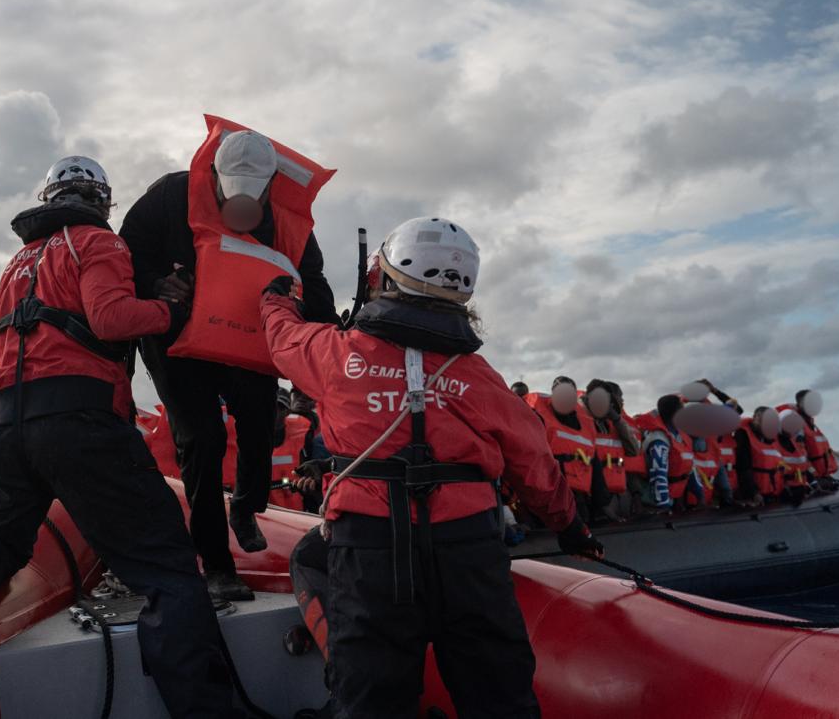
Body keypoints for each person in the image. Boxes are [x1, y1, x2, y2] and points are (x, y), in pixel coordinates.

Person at [0, 157, 241, 717]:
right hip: (79, 417)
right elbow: (110, 319)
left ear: (49, 197)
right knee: (168, 568)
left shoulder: (17, 263)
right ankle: (207, 708)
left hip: (6, 423)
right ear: (101, 202)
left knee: (4, 542)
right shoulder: (96, 242)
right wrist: (171, 308)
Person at [262, 216, 603, 719]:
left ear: (384, 275)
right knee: (500, 696)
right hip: (468, 553)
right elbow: (536, 468)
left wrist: (276, 298)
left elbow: (283, 338)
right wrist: (570, 527)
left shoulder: (340, 357)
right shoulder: (481, 379)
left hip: (370, 551)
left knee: (371, 699)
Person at [120, 127, 337, 600]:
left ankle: (246, 505)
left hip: (245, 336)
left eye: (250, 195)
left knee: (262, 419)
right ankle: (216, 565)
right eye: (227, 192)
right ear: (213, 177)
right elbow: (123, 255)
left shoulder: (286, 221)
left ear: (267, 188)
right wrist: (156, 283)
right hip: (177, 338)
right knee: (202, 439)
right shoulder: (169, 196)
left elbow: (317, 289)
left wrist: (305, 308)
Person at [525, 376, 597, 524]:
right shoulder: (538, 415)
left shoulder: (585, 422)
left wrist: (601, 498)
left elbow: (593, 461)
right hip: (553, 490)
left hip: (581, 493)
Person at [583, 378, 641, 521]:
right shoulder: (580, 421)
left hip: (617, 495)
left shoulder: (613, 424)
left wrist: (617, 419)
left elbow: (633, 450)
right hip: (592, 498)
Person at [633, 395, 695, 512]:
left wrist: (699, 497)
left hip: (676, 497)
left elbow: (690, 468)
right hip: (657, 502)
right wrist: (664, 505)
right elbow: (658, 476)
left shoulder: (679, 436)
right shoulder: (658, 440)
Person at [780, 389, 839, 487]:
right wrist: (813, 478)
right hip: (805, 477)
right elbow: (799, 456)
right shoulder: (796, 425)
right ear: (800, 403)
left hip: (818, 474)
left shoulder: (809, 423)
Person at [732, 407, 779, 506]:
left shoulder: (770, 437)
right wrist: (754, 493)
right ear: (754, 417)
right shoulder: (743, 434)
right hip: (753, 493)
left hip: (771, 491)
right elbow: (743, 467)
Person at [777, 407, 816, 505]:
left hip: (799, 488)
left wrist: (813, 482)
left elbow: (804, 468)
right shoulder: (772, 444)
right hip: (782, 492)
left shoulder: (796, 444)